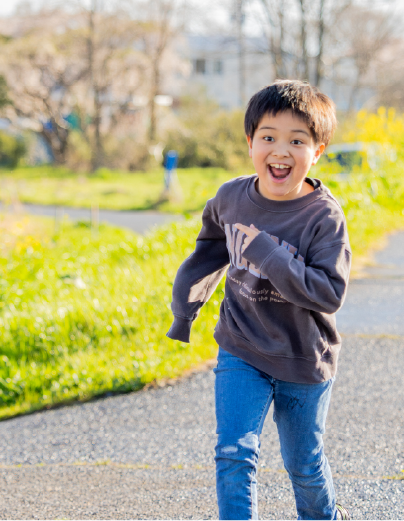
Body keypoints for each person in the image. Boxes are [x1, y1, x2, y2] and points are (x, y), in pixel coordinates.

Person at [167, 80, 352, 521]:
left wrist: (269, 253)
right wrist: (185, 309)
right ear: (250, 142)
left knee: (303, 464)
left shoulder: (323, 217)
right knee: (234, 453)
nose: (280, 151)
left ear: (318, 151)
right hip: (241, 344)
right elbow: (208, 251)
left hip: (302, 357)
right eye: (268, 137)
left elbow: (329, 293)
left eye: (297, 141)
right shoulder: (231, 198)